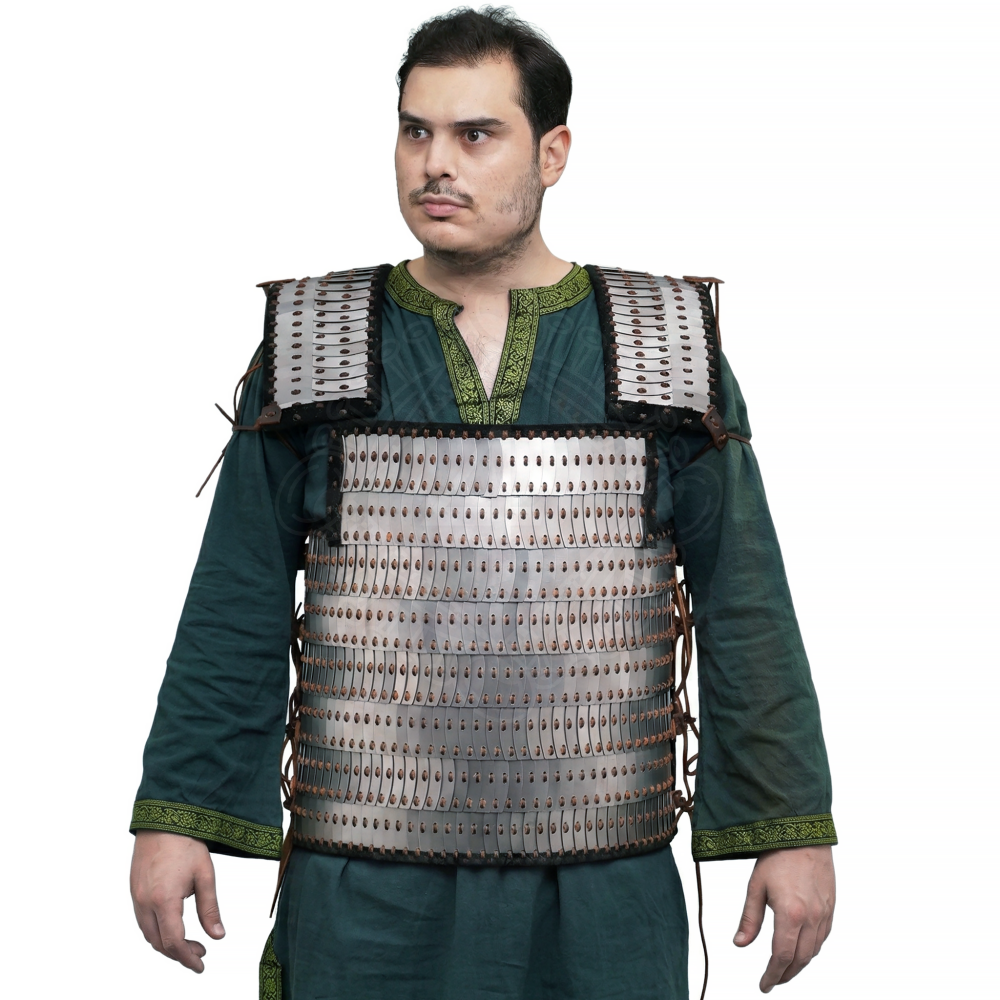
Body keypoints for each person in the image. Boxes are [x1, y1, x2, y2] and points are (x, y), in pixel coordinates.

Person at [129, 8, 836, 999]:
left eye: (475, 134)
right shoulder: (314, 343)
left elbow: (743, 600)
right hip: (364, 879)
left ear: (552, 153)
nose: (435, 164)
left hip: (602, 878)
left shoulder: (665, 346)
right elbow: (235, 598)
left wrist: (786, 828)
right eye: (415, 131)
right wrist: (178, 813)